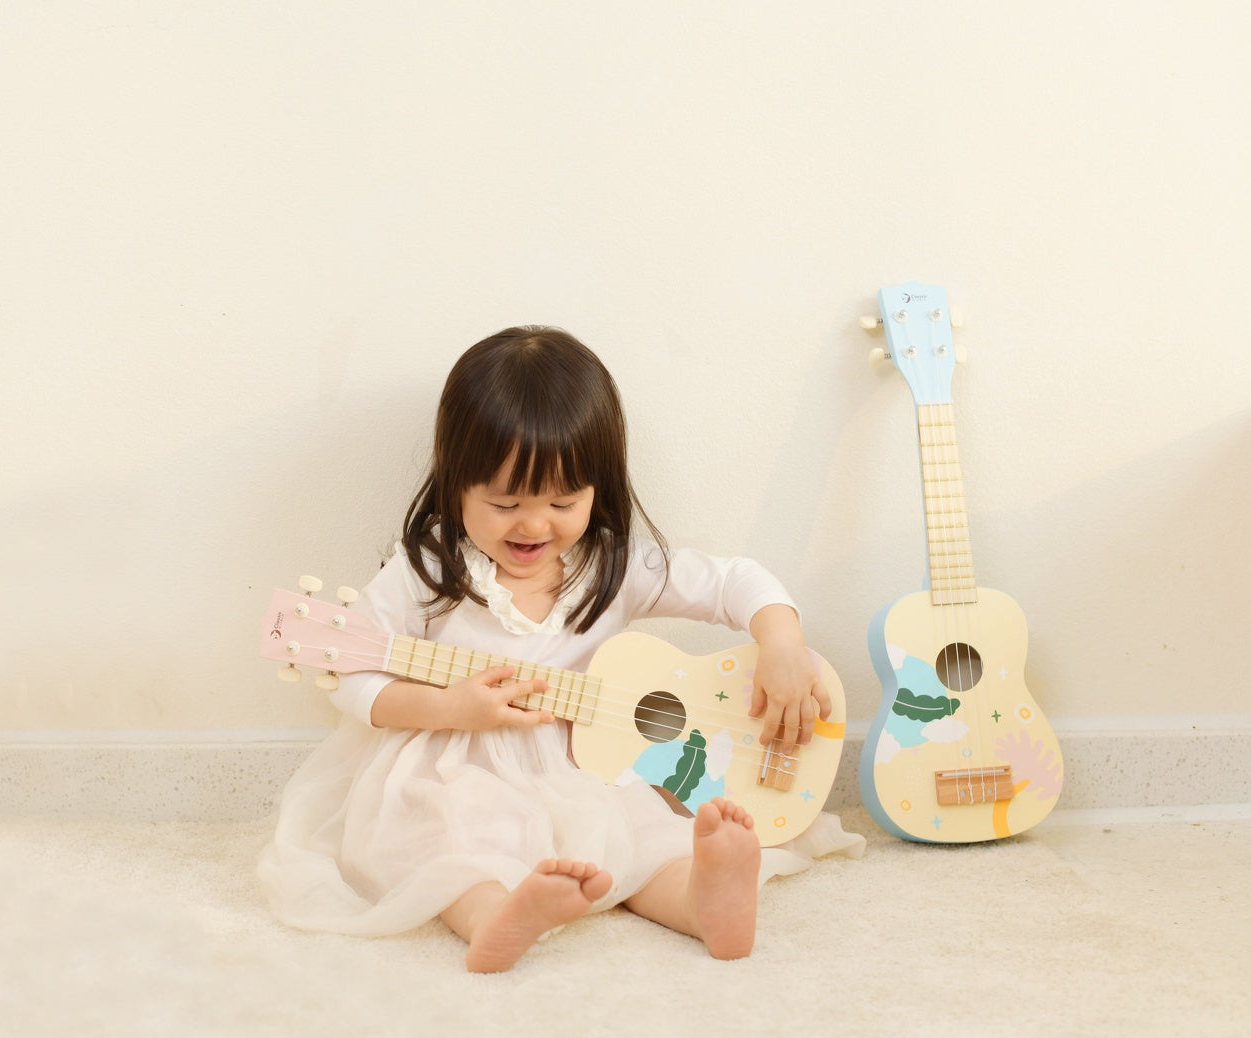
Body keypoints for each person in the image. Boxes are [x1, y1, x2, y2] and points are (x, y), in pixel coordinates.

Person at [258, 326, 863, 972]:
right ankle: (495, 915)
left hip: (590, 768)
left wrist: (781, 641)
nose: (534, 523)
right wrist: (449, 709)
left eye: (563, 501)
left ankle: (701, 899)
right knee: (449, 837)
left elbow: (733, 582)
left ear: (596, 489)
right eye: (504, 502)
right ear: (456, 484)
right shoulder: (427, 573)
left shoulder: (611, 567)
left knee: (644, 831)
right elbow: (352, 678)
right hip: (459, 767)